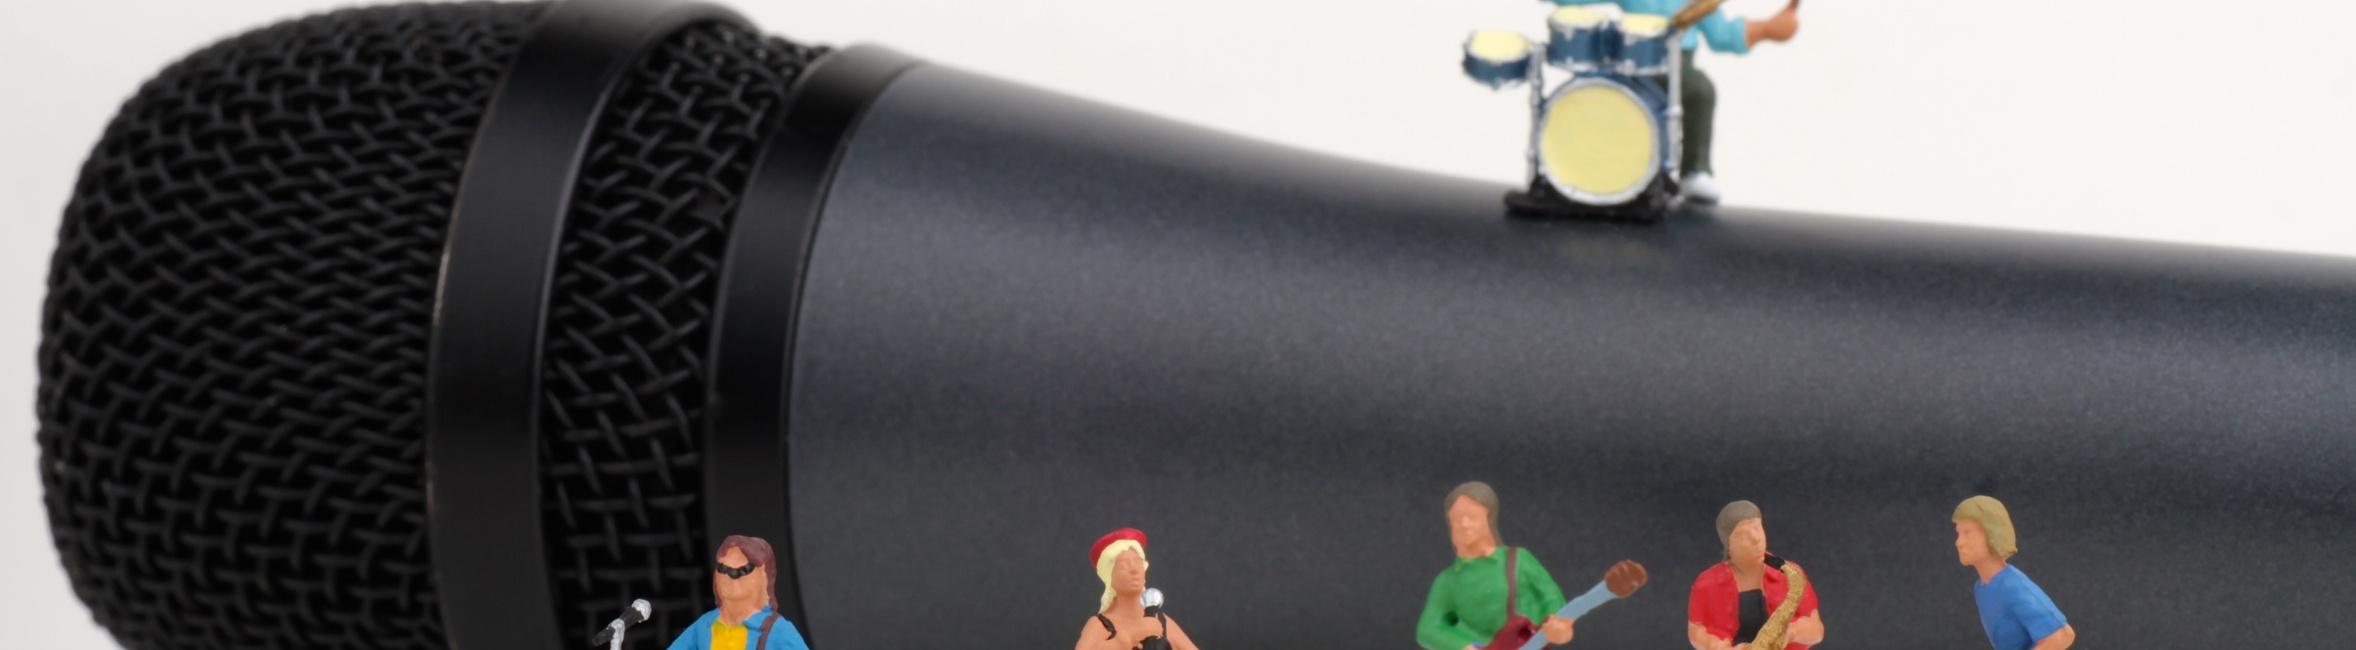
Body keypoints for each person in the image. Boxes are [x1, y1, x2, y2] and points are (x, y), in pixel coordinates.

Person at [1550, 0, 1802, 204]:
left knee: (1700, 91)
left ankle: (1695, 170)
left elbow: (1722, 35)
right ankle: (1615, 175)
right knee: (1615, 107)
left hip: (1679, 63)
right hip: (1632, 64)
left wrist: (1767, 29)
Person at [1415, 482, 1577, 650]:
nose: (1464, 524)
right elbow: (1427, 629)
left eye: (1473, 517)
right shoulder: (1447, 581)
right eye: (1457, 519)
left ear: (1489, 518)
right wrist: (1464, 647)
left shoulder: (1518, 559)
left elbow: (1550, 595)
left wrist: (1558, 623)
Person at [1686, 501, 1823, 650]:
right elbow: (1696, 631)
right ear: (1729, 542)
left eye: (1758, 528)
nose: (1756, 538)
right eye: (1744, 534)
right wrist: (1715, 645)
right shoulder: (1707, 583)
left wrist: (1791, 632)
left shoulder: (1790, 574)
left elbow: (1817, 631)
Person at [1953, 496, 2076, 650]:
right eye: (1959, 533)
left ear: (1992, 534)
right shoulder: (1981, 587)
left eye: (1968, 533)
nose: (1959, 542)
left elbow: (2061, 636)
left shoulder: (2012, 587)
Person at [664, 535, 810, 650]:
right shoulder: (705, 625)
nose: (729, 576)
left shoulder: (778, 631)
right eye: (723, 569)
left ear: (764, 575)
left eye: (742, 570)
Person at [1076, 529, 1202, 650]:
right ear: (1109, 577)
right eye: (1123, 565)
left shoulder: (1161, 621)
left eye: (1138, 562)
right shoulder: (1101, 625)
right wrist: (1128, 637)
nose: (1134, 570)